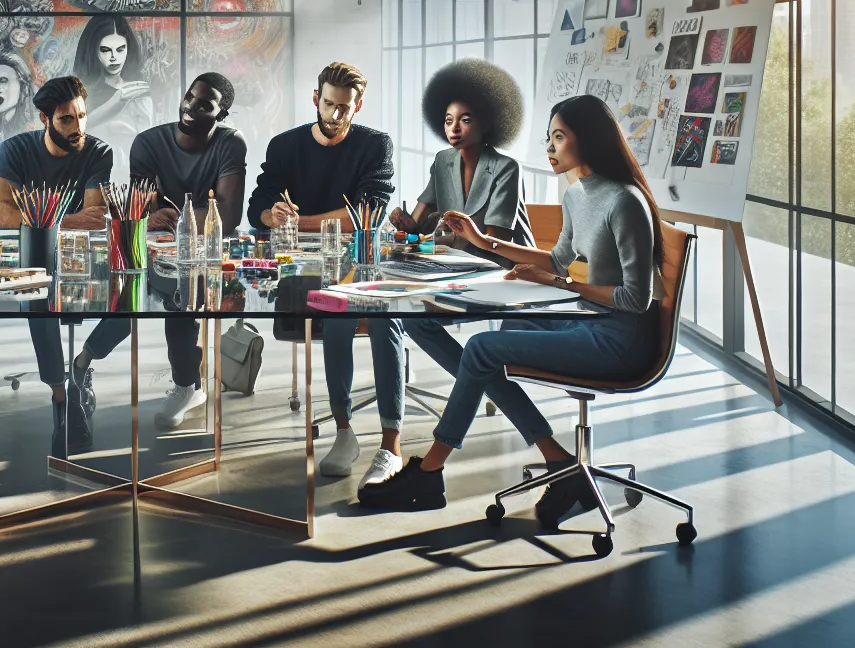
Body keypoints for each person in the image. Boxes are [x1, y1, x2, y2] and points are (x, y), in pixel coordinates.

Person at [360, 95, 664, 525]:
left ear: (589, 140)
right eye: (549, 138)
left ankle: (429, 472)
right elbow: (557, 259)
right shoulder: (578, 195)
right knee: (439, 326)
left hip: (621, 340)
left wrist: (562, 285)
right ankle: (558, 461)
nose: (550, 148)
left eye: (559, 137)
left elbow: (636, 298)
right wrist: (485, 242)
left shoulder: (624, 201)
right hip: (587, 320)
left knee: (483, 349)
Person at [246, 62, 398, 486]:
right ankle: (345, 430)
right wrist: (270, 214)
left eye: (344, 108)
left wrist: (301, 222)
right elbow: (256, 205)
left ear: (358, 106)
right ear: (316, 98)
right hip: (297, 271)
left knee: (366, 315)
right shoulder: (284, 145)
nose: (334, 115)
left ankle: (371, 438)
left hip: (359, 263)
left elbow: (367, 215)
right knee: (334, 315)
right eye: (328, 104)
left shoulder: (375, 145)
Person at [69, 73, 246, 431]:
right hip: (153, 250)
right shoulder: (147, 143)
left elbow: (226, 217)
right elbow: (144, 213)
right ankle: (86, 360)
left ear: (221, 114)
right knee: (134, 290)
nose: (191, 107)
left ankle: (186, 386)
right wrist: (183, 213)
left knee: (183, 298)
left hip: (206, 254)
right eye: (189, 97)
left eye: (205, 104)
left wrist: (176, 217)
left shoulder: (230, 143)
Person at [386, 58, 534, 391]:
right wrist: (406, 222)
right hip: (457, 268)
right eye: (449, 120)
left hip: (501, 271)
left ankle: (480, 382)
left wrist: (443, 238)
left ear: (487, 122)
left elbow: (493, 242)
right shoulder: (443, 161)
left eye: (465, 120)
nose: (454, 128)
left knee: (415, 311)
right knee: (409, 313)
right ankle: (482, 381)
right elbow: (419, 223)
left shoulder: (506, 168)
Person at [0, 76, 112, 456]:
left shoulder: (99, 151)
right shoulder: (13, 149)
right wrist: (67, 218)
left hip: (85, 257)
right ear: (44, 119)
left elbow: (97, 216)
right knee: (35, 295)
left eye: (82, 116)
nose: (79, 129)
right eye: (67, 120)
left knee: (131, 302)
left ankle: (83, 359)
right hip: (28, 260)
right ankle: (62, 397)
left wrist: (41, 221)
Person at [70, 14, 153, 157]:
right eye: (105, 50)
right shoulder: (79, 92)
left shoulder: (138, 92)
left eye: (120, 49)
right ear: (93, 50)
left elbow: (148, 146)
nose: (114, 57)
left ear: (129, 48)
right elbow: (71, 133)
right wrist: (116, 102)